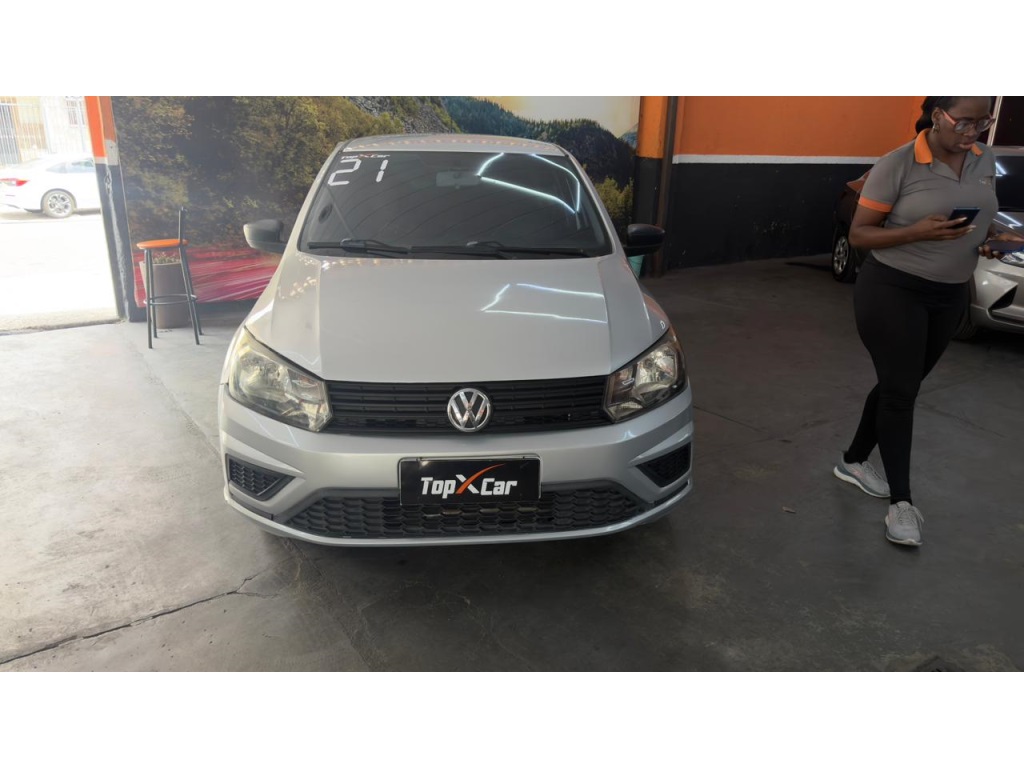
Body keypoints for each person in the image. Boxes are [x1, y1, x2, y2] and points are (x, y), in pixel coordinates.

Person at [832, 96, 1024, 547]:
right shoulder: (897, 163)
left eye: (983, 122)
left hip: (949, 294)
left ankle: (853, 460)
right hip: (893, 290)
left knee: (899, 383)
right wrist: (916, 232)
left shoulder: (983, 159)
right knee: (902, 393)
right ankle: (902, 504)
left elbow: (978, 215)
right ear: (938, 116)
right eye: (964, 122)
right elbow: (860, 234)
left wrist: (994, 237)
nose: (973, 131)